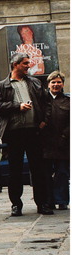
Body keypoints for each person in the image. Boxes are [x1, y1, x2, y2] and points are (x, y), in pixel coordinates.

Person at [0, 52, 52, 216]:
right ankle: (16, 204)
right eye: (25, 63)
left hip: (34, 131)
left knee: (38, 169)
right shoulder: (1, 86)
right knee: (15, 170)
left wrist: (44, 120)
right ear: (15, 64)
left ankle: (42, 203)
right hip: (13, 133)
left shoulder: (35, 83)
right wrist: (18, 106)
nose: (28, 65)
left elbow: (47, 103)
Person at [41, 71, 69, 210]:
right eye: (53, 82)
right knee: (46, 173)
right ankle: (49, 200)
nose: (56, 85)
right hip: (45, 144)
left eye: (59, 82)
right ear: (48, 84)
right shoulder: (42, 100)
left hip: (62, 144)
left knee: (62, 173)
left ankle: (62, 200)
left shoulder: (67, 101)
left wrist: (65, 136)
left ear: (63, 84)